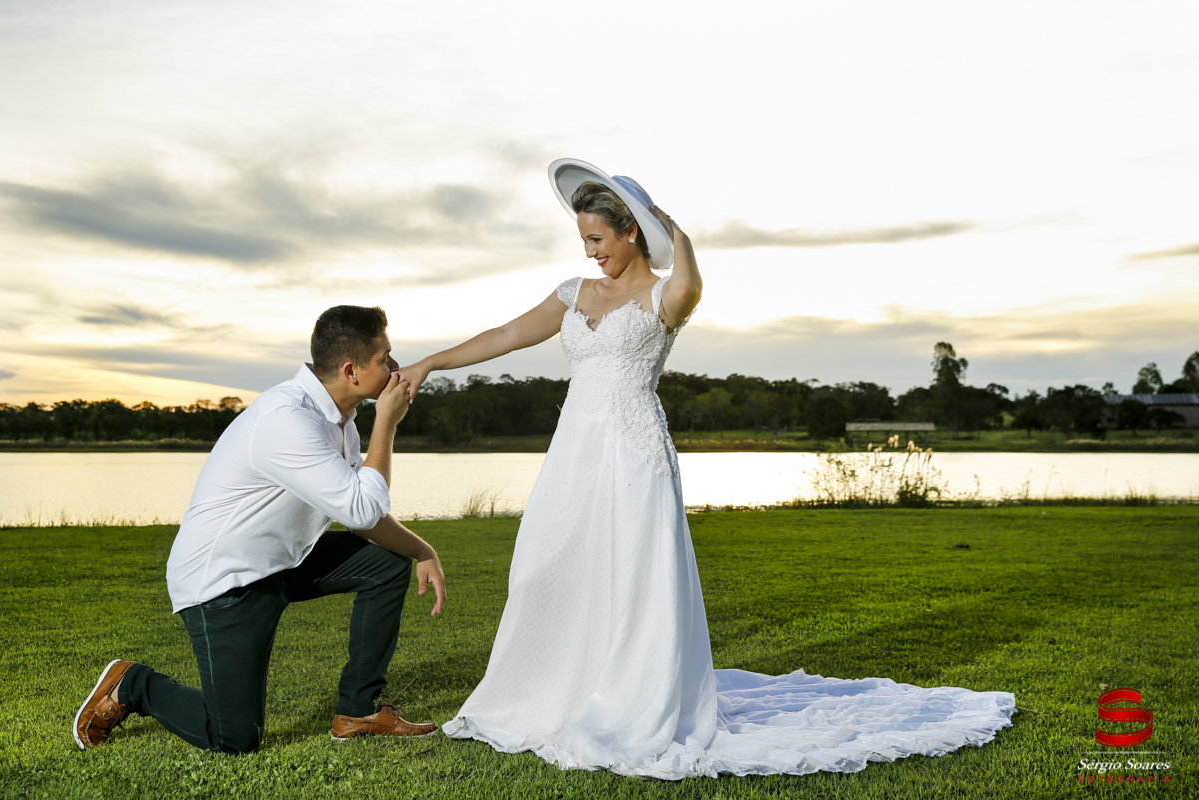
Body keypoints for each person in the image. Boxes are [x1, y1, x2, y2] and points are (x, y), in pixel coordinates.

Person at [402, 159, 1015, 779]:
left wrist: (679, 233)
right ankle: (551, 689)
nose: (589, 253)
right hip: (574, 451)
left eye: (597, 240)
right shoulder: (574, 294)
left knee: (634, 577)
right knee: (543, 566)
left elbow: (691, 286)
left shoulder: (665, 294)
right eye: (583, 240)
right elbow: (506, 334)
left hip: (634, 451)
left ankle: (631, 701)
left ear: (631, 233)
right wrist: (431, 363)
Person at [74, 305, 447, 754]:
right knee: (233, 739)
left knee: (387, 562)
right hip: (224, 581)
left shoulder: (338, 420)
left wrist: (422, 550)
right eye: (385, 357)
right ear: (351, 370)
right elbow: (363, 510)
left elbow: (361, 519)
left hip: (281, 561)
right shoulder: (288, 419)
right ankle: (132, 684)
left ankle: (358, 713)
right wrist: (386, 422)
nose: (394, 368)